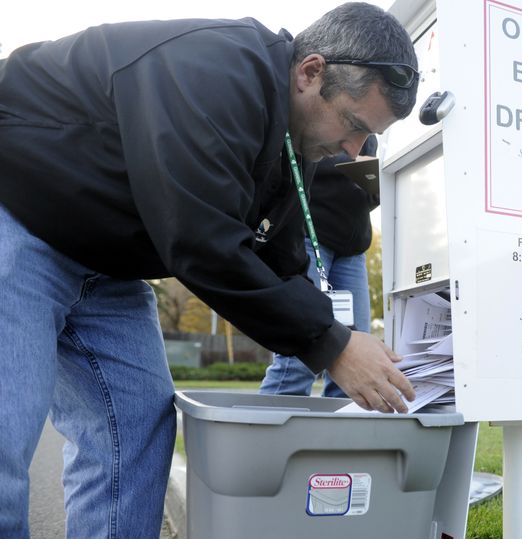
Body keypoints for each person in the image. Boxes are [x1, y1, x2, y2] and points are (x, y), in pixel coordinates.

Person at [0, 3, 418, 537]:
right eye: (356, 126)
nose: (354, 151)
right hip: (17, 209)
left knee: (137, 428)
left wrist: (346, 337)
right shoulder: (214, 66)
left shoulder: (293, 144)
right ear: (311, 72)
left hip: (108, 264)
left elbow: (277, 255)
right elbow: (200, 237)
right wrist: (330, 342)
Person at [260, 135, 379, 398]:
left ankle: (336, 440)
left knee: (356, 356)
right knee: (298, 359)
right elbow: (300, 166)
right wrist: (343, 168)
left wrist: (378, 187)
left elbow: (365, 199)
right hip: (309, 235)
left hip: (353, 247)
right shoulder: (325, 113)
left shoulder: (371, 133)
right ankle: (265, 437)